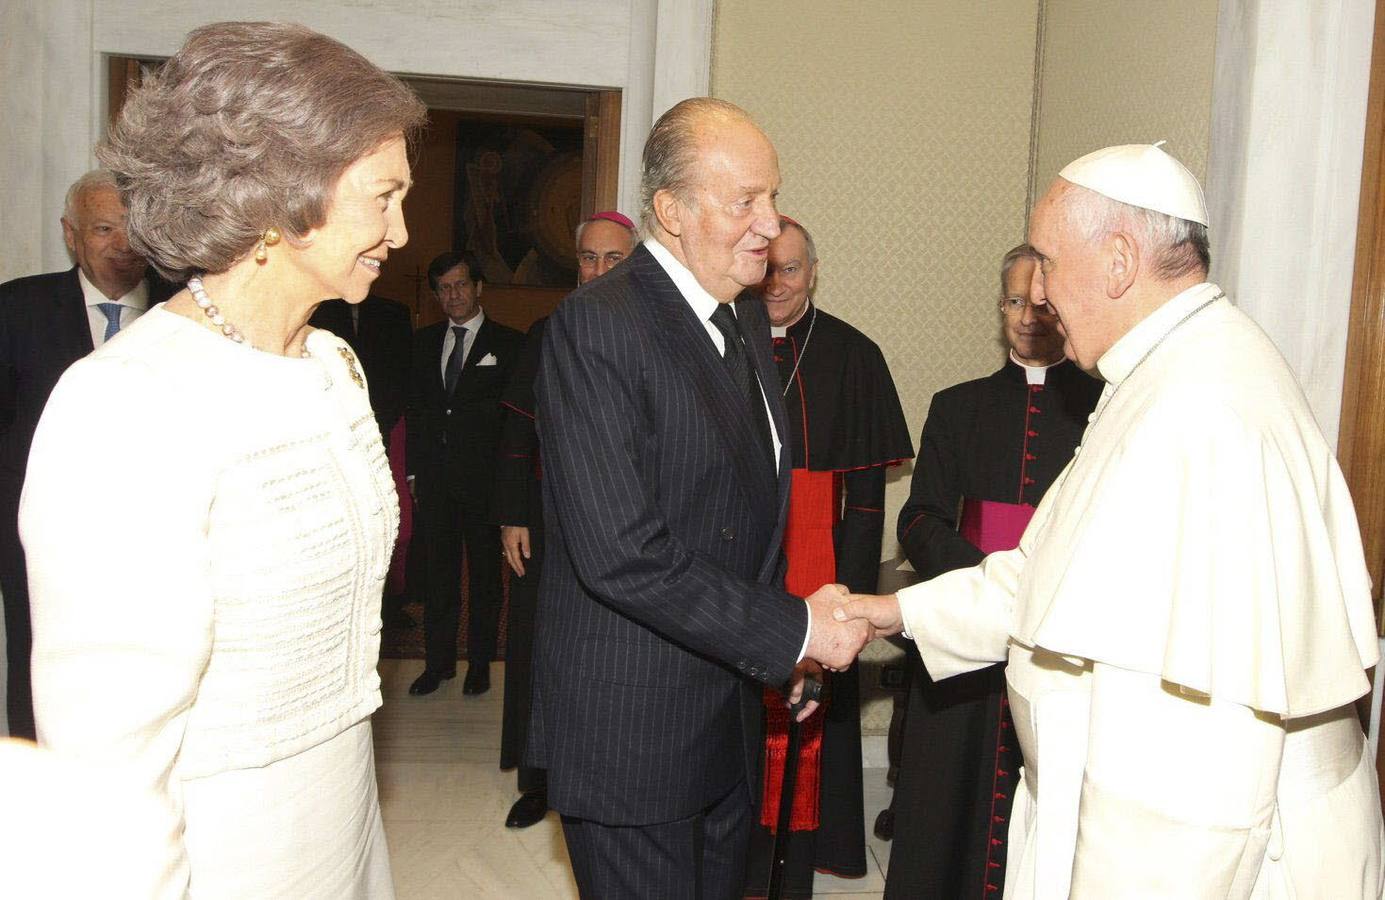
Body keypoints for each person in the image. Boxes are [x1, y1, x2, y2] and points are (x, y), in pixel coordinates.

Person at [836, 143, 1384, 898]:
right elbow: (1055, 575)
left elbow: (1190, 787)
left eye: (1047, 263)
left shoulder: (1199, 411)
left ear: (1119, 261)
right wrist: (897, 611)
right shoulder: (1165, 372)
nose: (1038, 295)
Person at [20, 22, 425, 897]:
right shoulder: (126, 400)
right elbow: (109, 755)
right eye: (383, 197)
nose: (400, 231)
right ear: (283, 192)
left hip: (343, 817)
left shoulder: (333, 365)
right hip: (222, 847)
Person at [529, 97, 870, 898]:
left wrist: (776, 652)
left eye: (772, 196)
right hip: (632, 732)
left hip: (725, 714)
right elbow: (621, 554)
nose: (771, 223)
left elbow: (741, 516)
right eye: (745, 200)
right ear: (672, 211)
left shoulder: (743, 318)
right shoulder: (597, 327)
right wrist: (792, 629)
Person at [882, 243, 1100, 899]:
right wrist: (985, 577)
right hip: (962, 630)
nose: (1028, 317)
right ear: (999, 308)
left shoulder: (1104, 407)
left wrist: (1033, 582)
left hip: (1059, 628)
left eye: (1041, 304)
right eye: (1013, 301)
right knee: (944, 799)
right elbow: (918, 518)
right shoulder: (957, 406)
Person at [743, 217, 913, 898]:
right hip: (743, 555)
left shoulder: (852, 354)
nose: (776, 284)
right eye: (766, 269)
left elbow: (867, 500)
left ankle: (815, 842)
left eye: (789, 269)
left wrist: (851, 593)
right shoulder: (723, 341)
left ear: (813, 272)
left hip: (820, 556)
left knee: (819, 706)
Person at [0, 169, 176, 741]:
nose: (123, 244)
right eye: (104, 229)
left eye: (133, 228)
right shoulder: (17, 309)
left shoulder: (189, 309)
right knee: (42, 664)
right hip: (43, 533)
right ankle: (42, 776)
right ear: (70, 234)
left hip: (163, 530)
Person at [495, 209, 637, 830]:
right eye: (588, 258)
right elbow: (516, 434)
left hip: (628, 525)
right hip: (549, 519)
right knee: (539, 644)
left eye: (613, 258)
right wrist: (512, 515)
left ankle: (607, 767)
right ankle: (540, 780)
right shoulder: (548, 331)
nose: (599, 270)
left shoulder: (656, 331)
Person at [406, 250, 523, 697]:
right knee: (439, 576)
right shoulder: (422, 342)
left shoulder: (508, 344)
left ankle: (479, 663)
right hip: (435, 482)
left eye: (460, 285)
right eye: (444, 288)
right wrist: (414, 473)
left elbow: (514, 423)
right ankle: (437, 665)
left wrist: (508, 486)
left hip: (485, 484)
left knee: (485, 580)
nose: (453, 295)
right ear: (436, 295)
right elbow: (417, 412)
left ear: (478, 288)